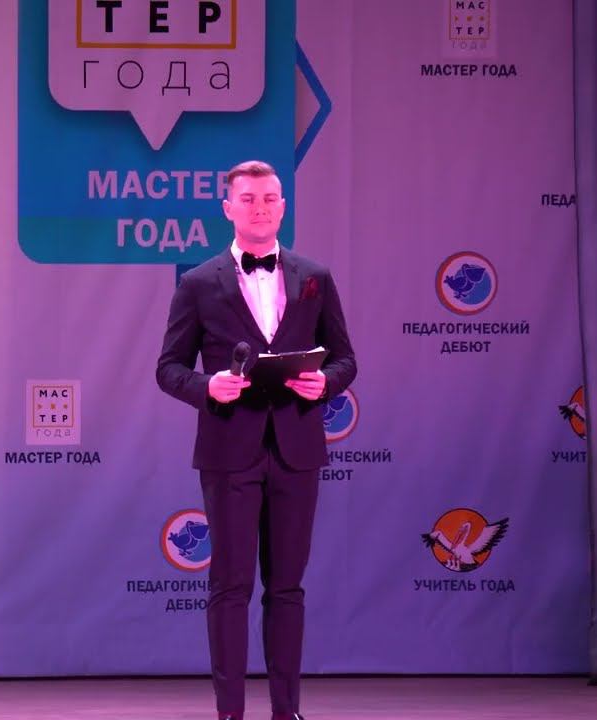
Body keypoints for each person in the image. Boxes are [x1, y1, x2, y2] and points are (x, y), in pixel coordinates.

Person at [156, 161, 356, 720]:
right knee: (230, 586)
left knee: (287, 588)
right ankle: (230, 714)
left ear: (283, 206)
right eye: (248, 199)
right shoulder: (198, 283)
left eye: (269, 198)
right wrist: (208, 386)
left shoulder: (315, 277)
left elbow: (345, 358)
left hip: (297, 450)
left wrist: (326, 382)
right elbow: (169, 368)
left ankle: (287, 712)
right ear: (228, 208)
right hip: (229, 452)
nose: (260, 208)